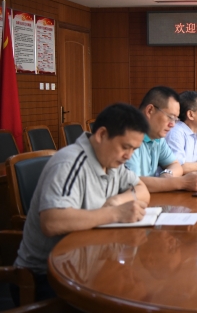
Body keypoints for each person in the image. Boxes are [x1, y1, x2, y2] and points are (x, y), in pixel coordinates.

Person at [13, 103, 151, 302]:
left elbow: (142, 190)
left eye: (134, 149)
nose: (128, 156)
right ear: (101, 135)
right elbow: (52, 222)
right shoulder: (70, 163)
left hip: (88, 263)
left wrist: (116, 201)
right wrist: (115, 213)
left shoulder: (111, 162)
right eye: (125, 147)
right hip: (46, 278)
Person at [126, 86, 197, 192]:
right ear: (150, 110)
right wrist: (183, 182)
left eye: (175, 119)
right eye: (170, 117)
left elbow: (175, 165)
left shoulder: (158, 137)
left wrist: (166, 175)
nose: (172, 124)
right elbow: (134, 183)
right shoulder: (128, 136)